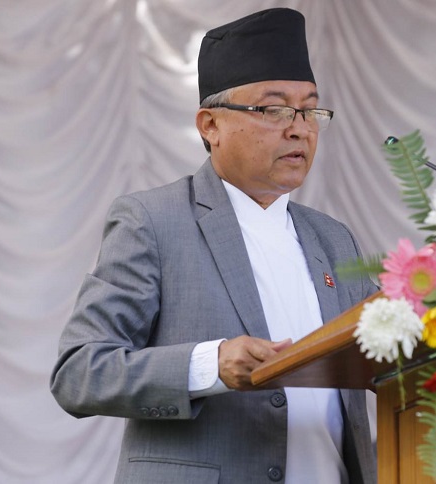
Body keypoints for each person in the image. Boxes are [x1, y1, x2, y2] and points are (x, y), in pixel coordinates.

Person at [50, 8, 377, 484]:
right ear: (210, 125)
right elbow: (80, 372)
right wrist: (210, 366)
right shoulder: (154, 221)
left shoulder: (333, 238)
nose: (299, 129)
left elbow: (388, 356)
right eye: (274, 109)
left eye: (310, 110)